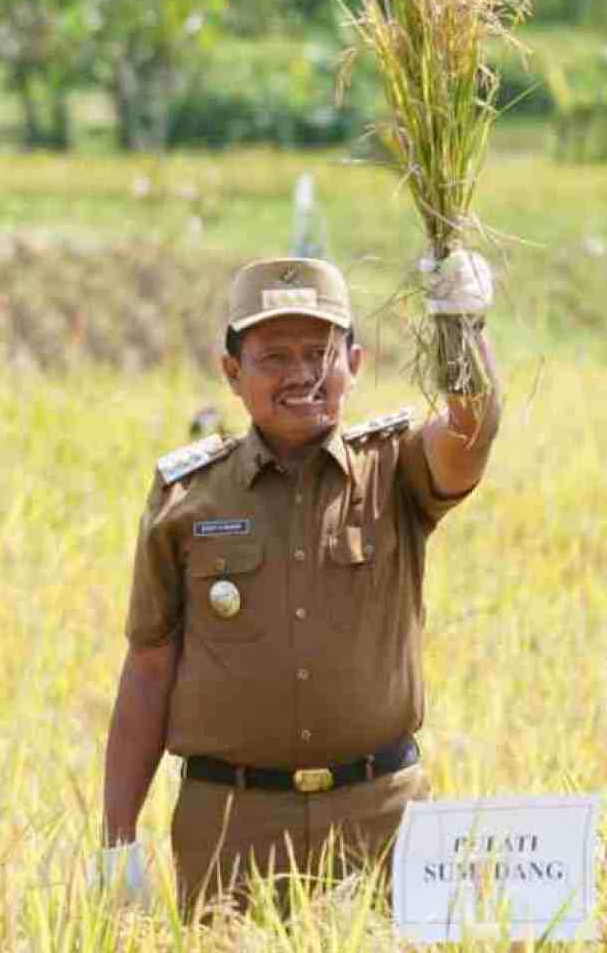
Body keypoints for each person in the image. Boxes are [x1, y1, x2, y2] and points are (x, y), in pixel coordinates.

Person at [94, 252, 500, 914]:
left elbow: (470, 430)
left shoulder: (395, 469)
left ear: (356, 364)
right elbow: (147, 665)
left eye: (320, 352)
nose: (302, 374)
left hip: (382, 823)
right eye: (274, 357)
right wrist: (116, 843)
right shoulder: (186, 498)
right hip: (230, 830)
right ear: (231, 372)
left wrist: (465, 330)